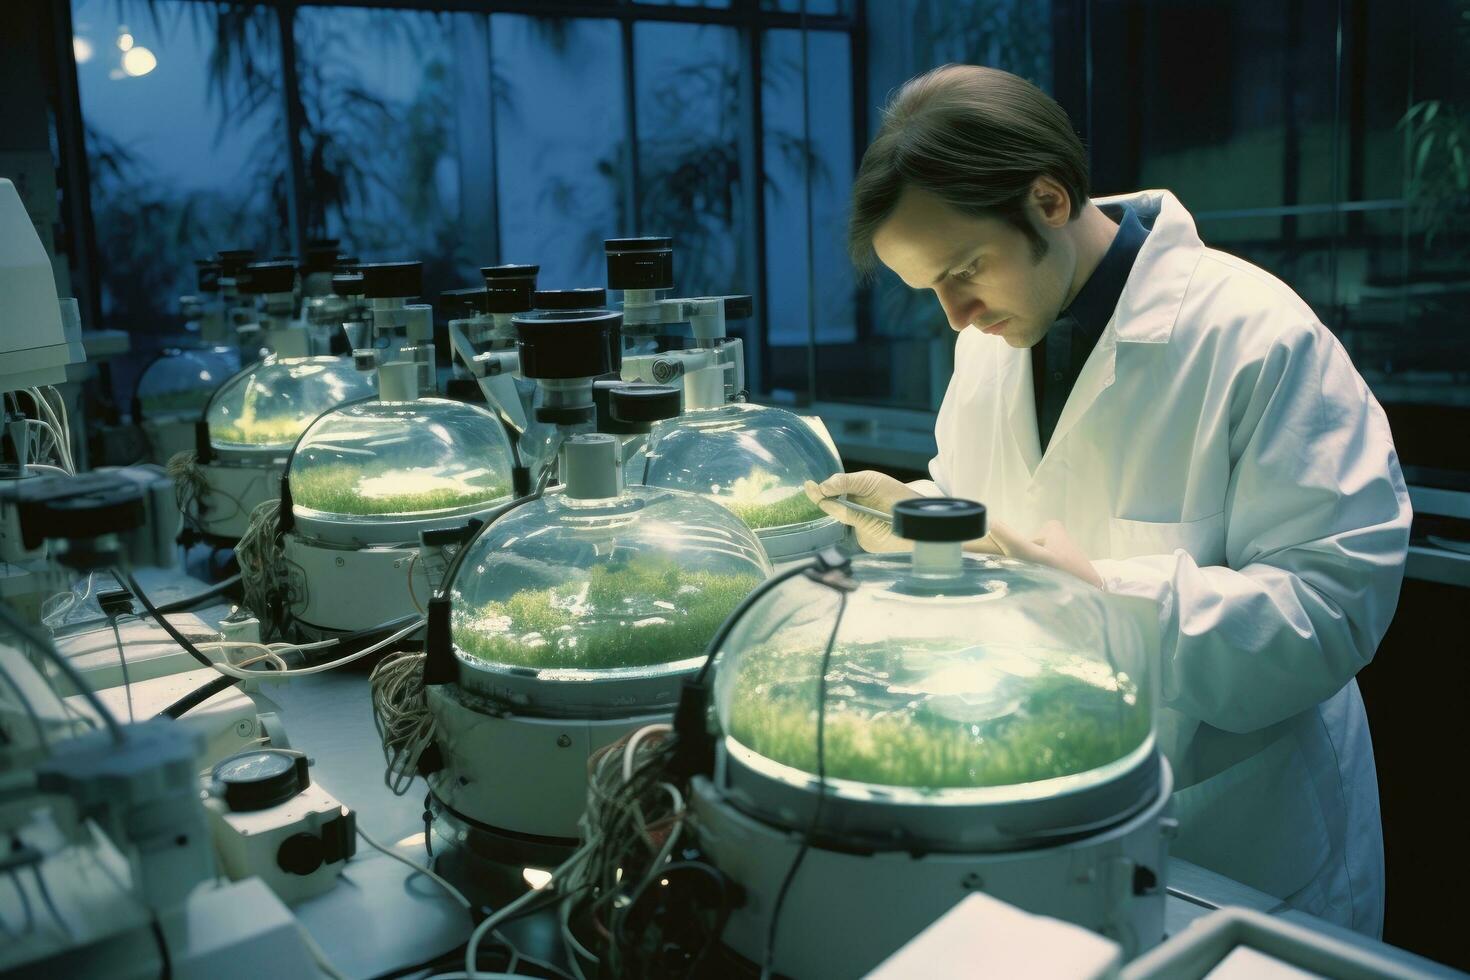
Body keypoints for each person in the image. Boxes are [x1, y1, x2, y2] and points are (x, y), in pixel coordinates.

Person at [808, 64, 1411, 937]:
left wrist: (1098, 598)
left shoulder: (1257, 337)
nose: (954, 315)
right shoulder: (990, 344)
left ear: (1049, 201)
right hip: (1049, 813)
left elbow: (1335, 608)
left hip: (1236, 836)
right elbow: (1002, 499)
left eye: (966, 269)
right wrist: (923, 520)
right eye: (930, 289)